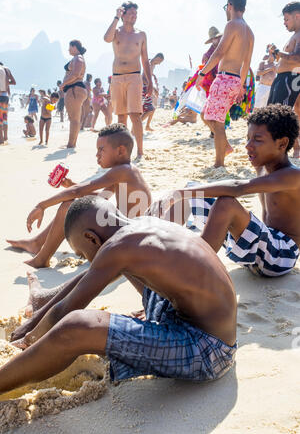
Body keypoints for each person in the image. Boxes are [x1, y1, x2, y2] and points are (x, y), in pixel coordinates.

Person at [0, 191, 237, 396]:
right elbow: (94, 273)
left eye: (83, 254)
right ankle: (42, 303)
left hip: (208, 351)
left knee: (76, 325)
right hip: (202, 324)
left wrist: (26, 342)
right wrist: (34, 321)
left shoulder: (118, 248)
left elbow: (66, 311)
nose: (86, 260)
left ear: (91, 238)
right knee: (107, 268)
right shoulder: (141, 227)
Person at [152, 104, 300, 278]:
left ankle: (190, 271)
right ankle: (158, 248)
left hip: (282, 255)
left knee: (225, 204)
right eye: (248, 138)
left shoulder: (292, 175)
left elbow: (238, 187)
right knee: (193, 191)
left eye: (257, 140)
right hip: (257, 252)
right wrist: (183, 193)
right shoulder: (263, 168)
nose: (248, 145)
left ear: (282, 143)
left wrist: (177, 193)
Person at [7, 124, 152, 272]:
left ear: (121, 150)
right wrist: (71, 184)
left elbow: (78, 192)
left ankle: (41, 258)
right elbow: (102, 198)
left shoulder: (122, 171)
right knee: (74, 204)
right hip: (126, 237)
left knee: (68, 206)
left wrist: (41, 205)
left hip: (125, 244)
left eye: (101, 150)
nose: (97, 155)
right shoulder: (127, 171)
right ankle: (37, 243)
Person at [196, 0, 254, 168]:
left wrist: (202, 74)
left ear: (230, 6)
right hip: (235, 79)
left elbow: (219, 52)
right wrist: (241, 86)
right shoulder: (250, 32)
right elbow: (247, 63)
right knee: (205, 114)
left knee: (218, 123)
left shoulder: (231, 25)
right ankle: (226, 146)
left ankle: (219, 163)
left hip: (224, 79)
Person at [104, 1, 153, 160]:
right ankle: (124, 151)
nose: (134, 16)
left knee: (135, 115)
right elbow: (106, 38)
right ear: (123, 14)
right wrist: (115, 17)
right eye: (131, 13)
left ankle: (140, 151)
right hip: (117, 77)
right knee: (121, 116)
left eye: (136, 13)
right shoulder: (116, 32)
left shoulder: (141, 34)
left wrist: (149, 81)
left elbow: (145, 60)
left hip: (134, 76)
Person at [267, 2, 300, 159]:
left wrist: (280, 53)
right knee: (273, 114)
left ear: (297, 16)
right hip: (283, 78)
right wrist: (276, 54)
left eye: (286, 19)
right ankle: (284, 151)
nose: (284, 22)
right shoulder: (294, 36)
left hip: (289, 79)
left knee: (280, 117)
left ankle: (281, 155)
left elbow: (298, 59)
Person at [59, 40, 88, 148]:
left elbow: (76, 74)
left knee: (74, 118)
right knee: (74, 118)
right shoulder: (78, 58)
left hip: (75, 89)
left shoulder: (78, 58)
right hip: (75, 89)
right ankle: (72, 143)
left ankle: (71, 144)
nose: (68, 49)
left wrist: (63, 83)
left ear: (74, 47)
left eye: (69, 47)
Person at [201, 27, 223, 137]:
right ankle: (214, 132)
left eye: (219, 37)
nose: (218, 39)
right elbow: (204, 71)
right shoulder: (206, 55)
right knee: (207, 111)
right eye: (216, 38)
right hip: (210, 84)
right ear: (212, 40)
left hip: (223, 83)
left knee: (219, 110)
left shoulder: (224, 50)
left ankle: (217, 132)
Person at [142, 53, 164, 131]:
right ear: (157, 58)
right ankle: (136, 126)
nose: (159, 63)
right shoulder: (149, 64)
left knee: (152, 109)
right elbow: (143, 78)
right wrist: (153, 88)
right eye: (160, 61)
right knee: (150, 109)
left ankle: (147, 126)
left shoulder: (152, 64)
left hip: (146, 87)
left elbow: (148, 76)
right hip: (143, 88)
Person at [0, 62, 16, 144]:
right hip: (5, 96)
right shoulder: (7, 69)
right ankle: (5, 137)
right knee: (4, 118)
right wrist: (7, 83)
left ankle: (1, 140)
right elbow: (14, 82)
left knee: (0, 119)